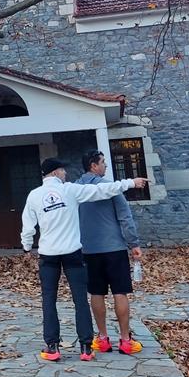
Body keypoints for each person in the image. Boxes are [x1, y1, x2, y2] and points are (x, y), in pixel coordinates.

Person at [21, 157, 147, 362]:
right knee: (80, 299)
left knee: (48, 300)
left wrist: (27, 247)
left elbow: (28, 226)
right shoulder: (70, 190)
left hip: (48, 254)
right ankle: (86, 347)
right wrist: (131, 183)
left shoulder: (34, 195)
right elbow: (101, 190)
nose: (65, 174)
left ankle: (52, 346)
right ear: (55, 172)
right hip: (72, 252)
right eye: (62, 170)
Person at [77, 149, 144, 356]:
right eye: (103, 162)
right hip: (114, 248)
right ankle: (125, 340)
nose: (106, 166)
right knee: (119, 292)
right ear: (93, 165)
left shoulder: (75, 189)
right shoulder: (111, 188)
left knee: (96, 293)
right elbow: (125, 217)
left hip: (89, 249)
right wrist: (134, 243)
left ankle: (102, 337)